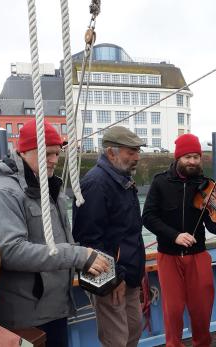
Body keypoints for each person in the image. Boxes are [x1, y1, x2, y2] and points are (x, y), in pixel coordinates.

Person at [0, 119, 108, 347]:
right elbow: (9, 251)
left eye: (58, 154)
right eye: (48, 153)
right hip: (24, 315)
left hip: (54, 307)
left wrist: (84, 259)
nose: (54, 160)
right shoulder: (2, 192)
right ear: (25, 150)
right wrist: (76, 255)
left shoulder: (48, 186)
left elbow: (59, 239)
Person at [142, 133, 216, 347]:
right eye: (187, 157)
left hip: (197, 255)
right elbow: (148, 217)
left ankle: (201, 344)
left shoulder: (205, 185)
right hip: (169, 256)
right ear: (178, 158)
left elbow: (211, 222)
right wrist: (174, 236)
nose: (192, 161)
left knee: (201, 309)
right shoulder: (160, 183)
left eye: (196, 157)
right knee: (173, 310)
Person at [72, 126, 147, 347]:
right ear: (111, 152)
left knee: (133, 331)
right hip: (110, 278)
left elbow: (128, 231)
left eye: (137, 152)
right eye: (130, 152)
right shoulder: (96, 184)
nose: (137, 157)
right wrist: (115, 279)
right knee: (116, 340)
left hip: (129, 275)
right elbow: (89, 240)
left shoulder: (122, 179)